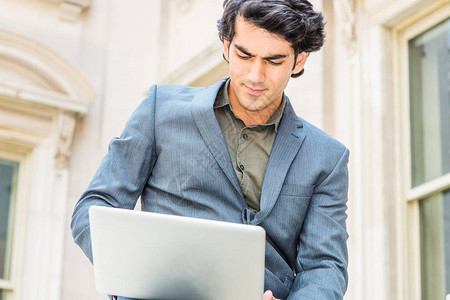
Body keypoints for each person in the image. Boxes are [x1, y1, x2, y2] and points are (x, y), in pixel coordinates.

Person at [71, 0, 350, 299]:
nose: (256, 75)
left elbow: (325, 266)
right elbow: (93, 209)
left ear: (299, 61)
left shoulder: (327, 157)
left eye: (274, 61)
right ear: (227, 45)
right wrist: (136, 281)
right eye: (244, 55)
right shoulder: (159, 111)